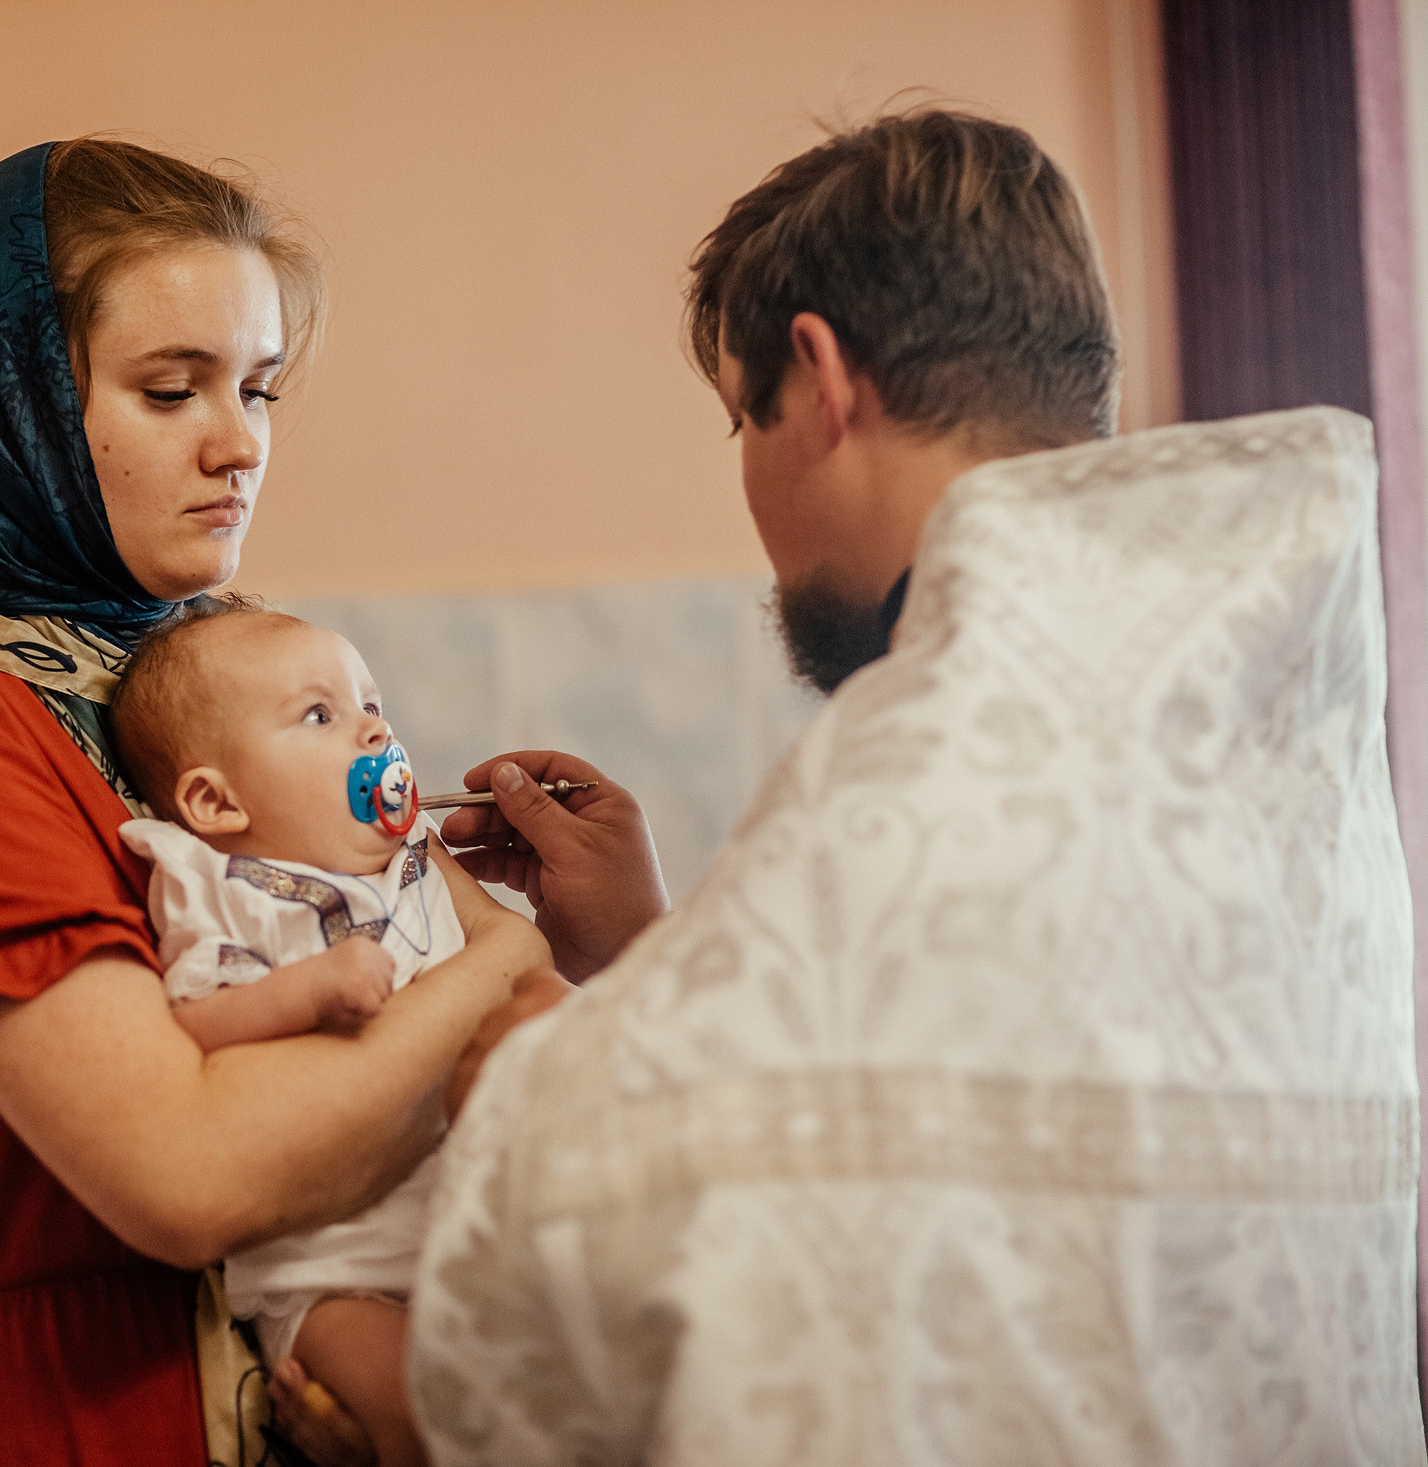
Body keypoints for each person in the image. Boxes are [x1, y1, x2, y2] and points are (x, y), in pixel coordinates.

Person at [410, 110, 1427, 1463]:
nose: (756, 498)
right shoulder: (1268, 716)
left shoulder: (945, 734)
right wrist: (658, 955)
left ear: (823, 379)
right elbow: (1007, 1115)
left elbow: (618, 1212)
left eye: (742, 420)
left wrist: (524, 1039)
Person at [0, 139, 546, 1467]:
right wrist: (513, 952)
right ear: (6, 400)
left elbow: (500, 1019)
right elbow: (192, 1173)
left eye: (259, 387)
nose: (239, 444)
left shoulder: (227, 663)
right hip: (88, 1411)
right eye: (171, 390)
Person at [113, 601, 465, 1467]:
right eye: (321, 714)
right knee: (433, 1423)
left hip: (468, 1241)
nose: (372, 726)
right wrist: (306, 992)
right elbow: (192, 1021)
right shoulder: (221, 889)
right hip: (335, 1283)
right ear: (215, 799)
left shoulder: (412, 858)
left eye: (369, 702)